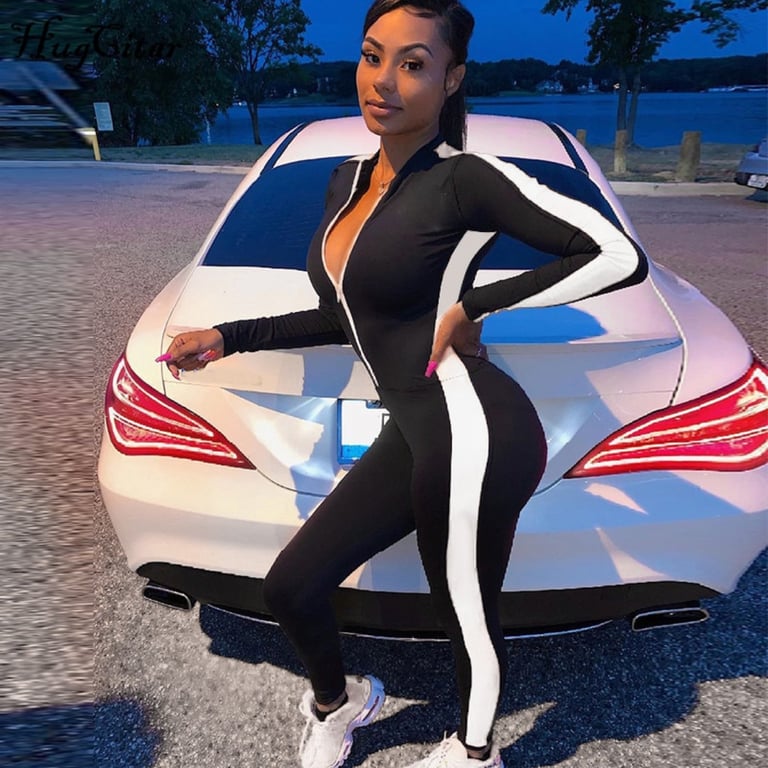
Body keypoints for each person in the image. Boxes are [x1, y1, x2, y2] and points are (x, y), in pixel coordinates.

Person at [159, 1, 648, 766]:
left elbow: (616, 256)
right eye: (372, 55)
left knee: (465, 609)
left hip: (476, 426)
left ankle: (475, 752)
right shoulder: (347, 183)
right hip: (417, 425)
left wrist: (476, 305)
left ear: (451, 79)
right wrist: (228, 336)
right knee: (292, 586)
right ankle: (338, 702)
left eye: (413, 64)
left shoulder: (465, 180)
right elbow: (345, 314)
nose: (383, 80)